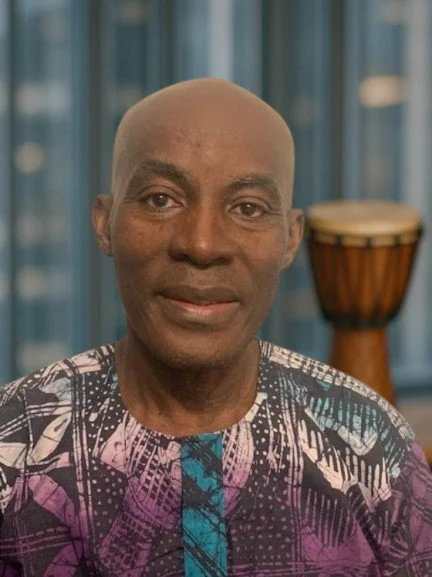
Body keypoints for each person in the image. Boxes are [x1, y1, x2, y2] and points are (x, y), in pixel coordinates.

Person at [0, 78, 431, 577]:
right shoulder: (13, 446)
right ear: (105, 223)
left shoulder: (374, 452)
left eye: (247, 208)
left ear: (290, 240)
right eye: (161, 199)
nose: (202, 245)